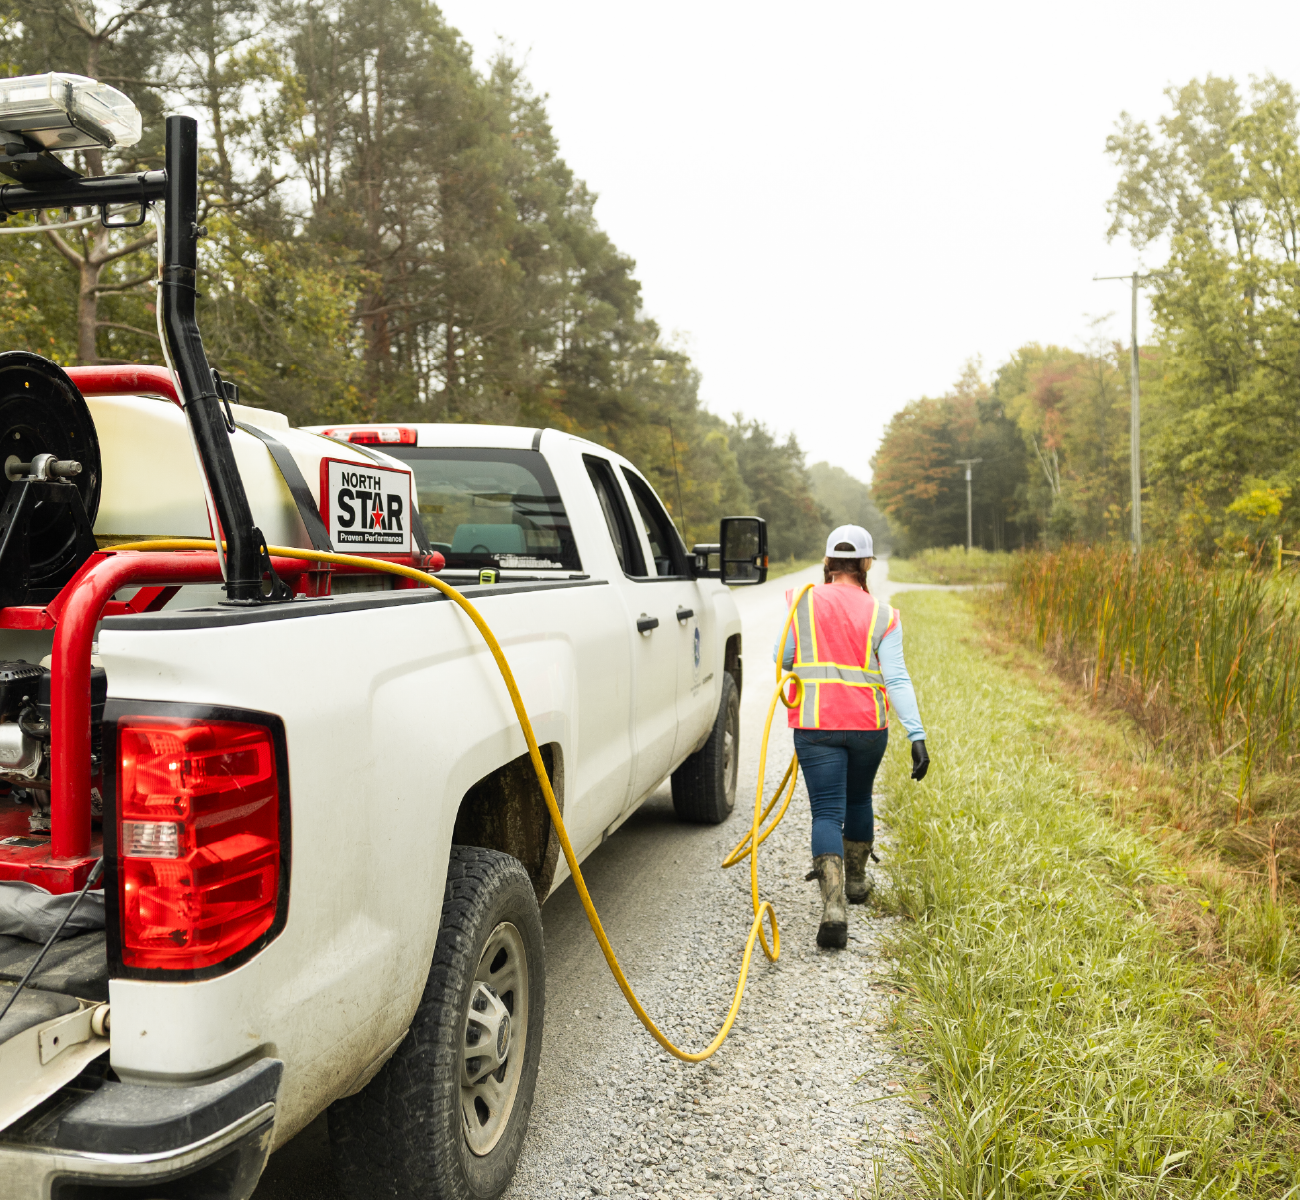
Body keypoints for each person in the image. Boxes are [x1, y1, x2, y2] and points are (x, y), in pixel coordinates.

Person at [773, 525, 929, 950]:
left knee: (826, 812)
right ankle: (856, 882)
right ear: (865, 564)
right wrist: (916, 734)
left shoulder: (802, 602)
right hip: (867, 727)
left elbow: (782, 657)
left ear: (827, 563)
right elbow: (896, 677)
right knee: (859, 800)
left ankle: (833, 907)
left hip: (816, 725)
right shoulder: (883, 614)